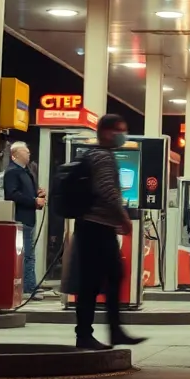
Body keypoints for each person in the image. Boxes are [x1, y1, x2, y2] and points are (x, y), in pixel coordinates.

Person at [71, 114, 145, 350]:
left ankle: (114, 331)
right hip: (95, 227)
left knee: (112, 276)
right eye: (118, 130)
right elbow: (106, 190)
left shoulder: (97, 155)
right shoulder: (102, 156)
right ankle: (86, 335)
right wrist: (124, 217)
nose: (122, 135)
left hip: (98, 226)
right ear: (105, 132)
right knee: (93, 281)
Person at [2, 141, 46, 301]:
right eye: (25, 151)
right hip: (21, 218)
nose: (28, 153)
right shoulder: (12, 172)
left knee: (29, 254)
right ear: (14, 155)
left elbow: (26, 193)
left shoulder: (26, 171)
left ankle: (29, 285)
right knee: (27, 255)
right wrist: (33, 201)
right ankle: (28, 288)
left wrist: (38, 195)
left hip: (29, 218)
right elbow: (12, 194)